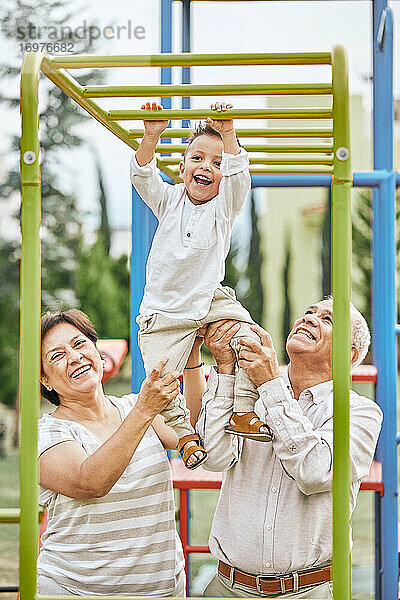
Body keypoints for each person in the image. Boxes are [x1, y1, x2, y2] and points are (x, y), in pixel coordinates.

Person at [197, 298, 383, 599]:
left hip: (309, 591)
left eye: (328, 319)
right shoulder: (249, 392)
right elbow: (214, 458)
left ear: (348, 355)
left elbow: (314, 471)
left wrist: (271, 382)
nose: (309, 318)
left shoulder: (360, 412)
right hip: (227, 588)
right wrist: (225, 368)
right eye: (308, 312)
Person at [130, 101, 271, 470]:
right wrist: (150, 137)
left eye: (217, 163)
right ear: (182, 168)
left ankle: (242, 410)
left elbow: (241, 177)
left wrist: (228, 132)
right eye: (198, 158)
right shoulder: (169, 198)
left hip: (209, 298)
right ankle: (185, 433)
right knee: (160, 376)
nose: (206, 167)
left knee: (250, 338)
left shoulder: (225, 208)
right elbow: (142, 174)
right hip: (164, 310)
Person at [37, 308, 205, 597]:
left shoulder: (134, 407)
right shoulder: (45, 433)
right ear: (45, 380)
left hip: (162, 591)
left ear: (96, 351)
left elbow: (191, 429)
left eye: (79, 344)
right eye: (57, 355)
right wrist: (144, 410)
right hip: (78, 592)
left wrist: (191, 358)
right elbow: (89, 482)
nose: (75, 356)